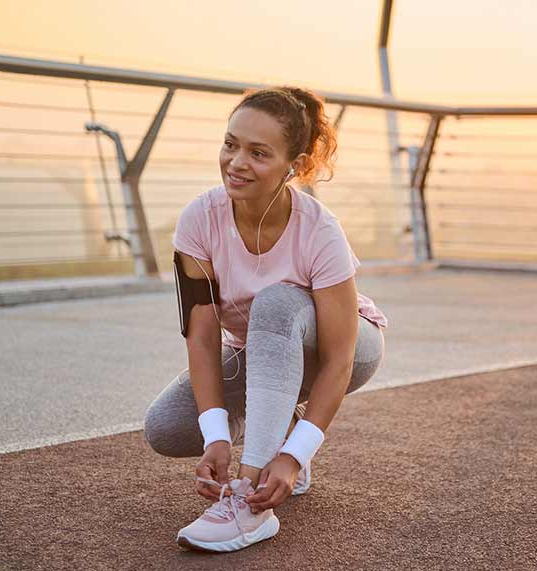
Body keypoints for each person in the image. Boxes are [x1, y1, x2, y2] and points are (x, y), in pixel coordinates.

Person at [144, 86, 388, 553]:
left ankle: (250, 503)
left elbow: (338, 358)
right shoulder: (198, 220)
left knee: (275, 303)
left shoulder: (320, 231)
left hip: (348, 349)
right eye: (230, 144)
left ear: (291, 165)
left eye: (258, 153)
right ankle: (275, 435)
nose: (236, 163)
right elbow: (201, 336)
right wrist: (215, 437)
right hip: (257, 351)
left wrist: (296, 458)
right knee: (168, 427)